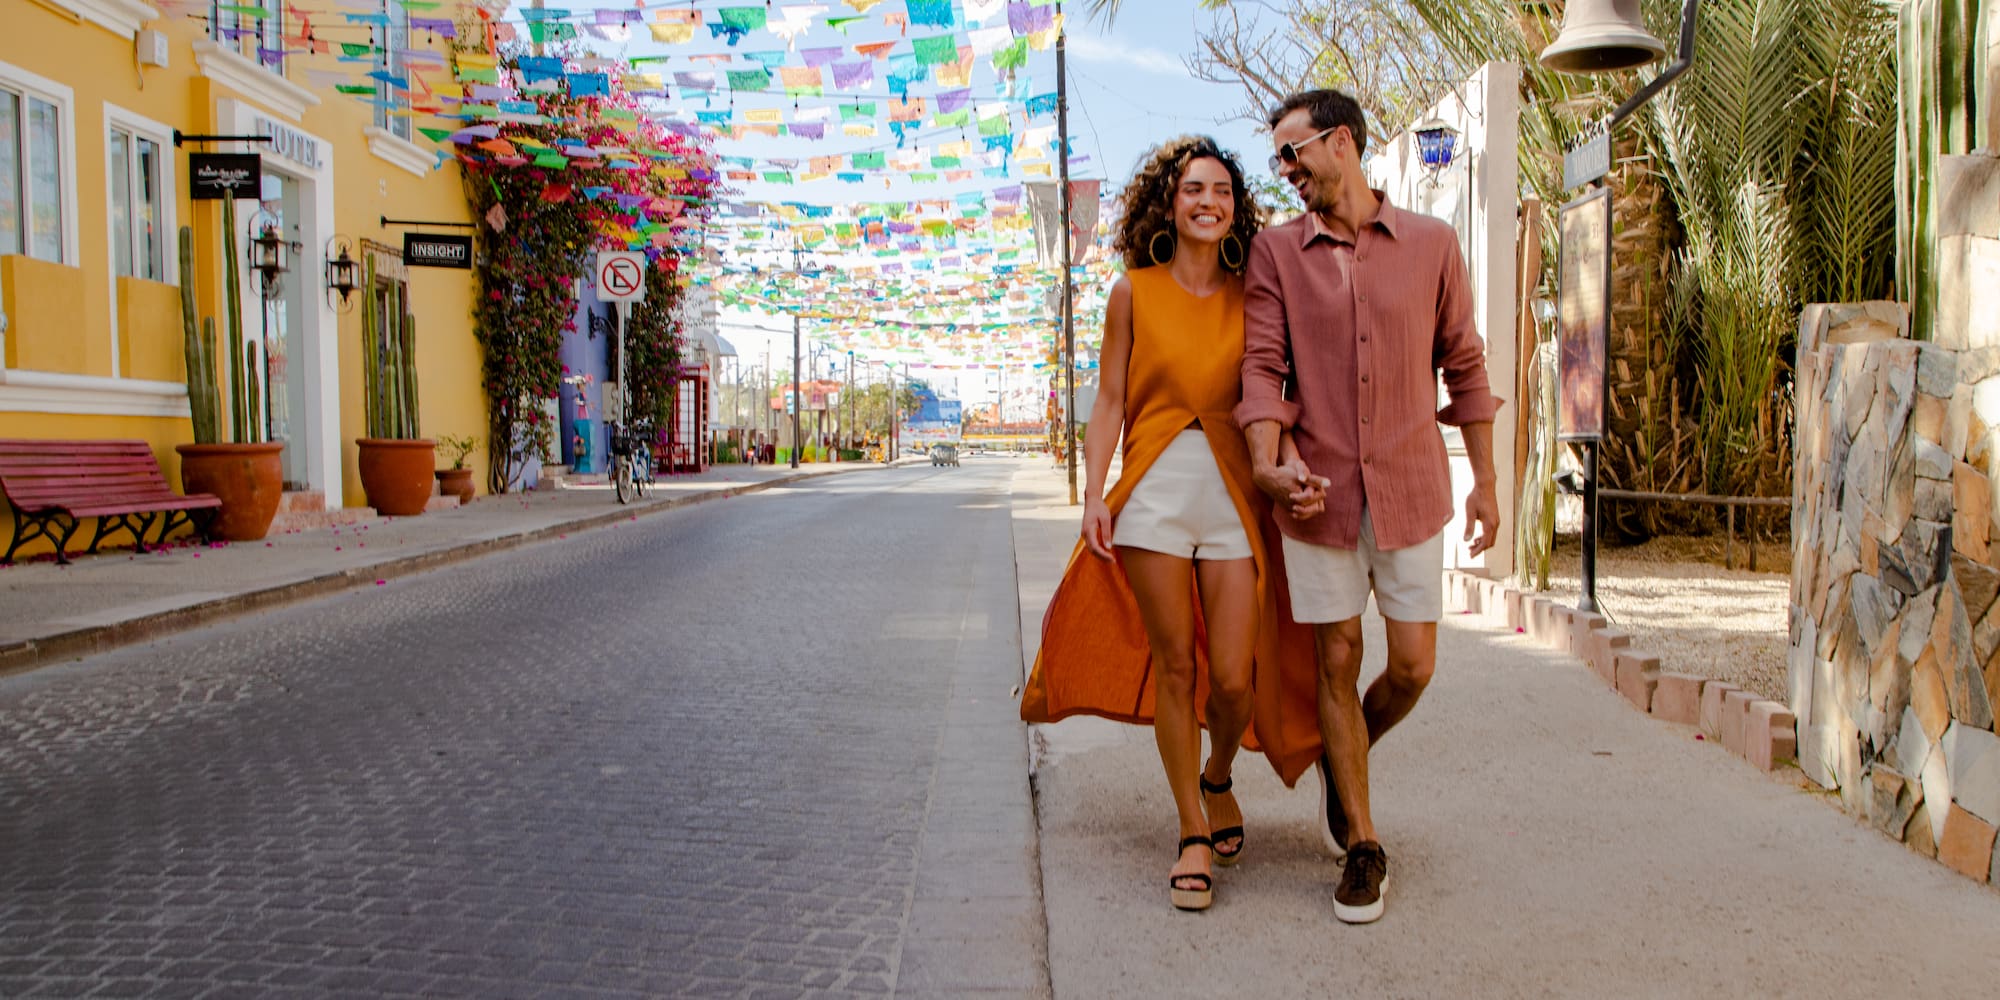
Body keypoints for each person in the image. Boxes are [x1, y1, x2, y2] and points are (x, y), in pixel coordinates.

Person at [1021, 136, 1321, 912]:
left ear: (1235, 207)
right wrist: (1095, 492)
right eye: (1194, 189)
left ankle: (1218, 772)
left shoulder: (1254, 292)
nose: (1208, 202)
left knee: (1232, 676)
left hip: (1232, 495)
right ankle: (1191, 825)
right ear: (1170, 199)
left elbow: (1277, 388)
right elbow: (1112, 403)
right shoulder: (1133, 291)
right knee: (1177, 670)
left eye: (1221, 190)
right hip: (1152, 494)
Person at [1237, 89, 1500, 925]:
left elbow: (1465, 364)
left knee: (1414, 667)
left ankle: (1340, 758)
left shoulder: (1433, 244)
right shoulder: (1277, 253)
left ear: (1341, 142)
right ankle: (1363, 845)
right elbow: (1262, 371)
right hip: (1316, 498)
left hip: (1412, 489)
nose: (1285, 171)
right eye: (1278, 157)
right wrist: (1270, 467)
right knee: (1337, 663)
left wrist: (1488, 482)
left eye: (1293, 152)